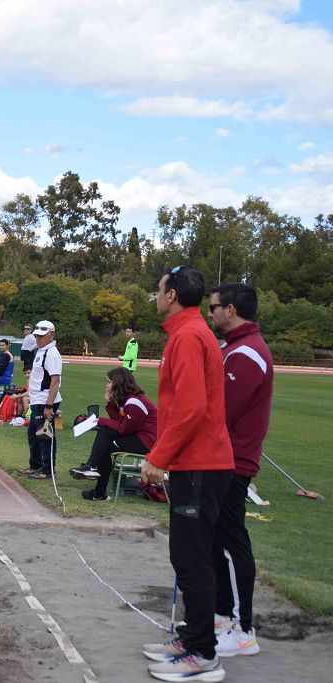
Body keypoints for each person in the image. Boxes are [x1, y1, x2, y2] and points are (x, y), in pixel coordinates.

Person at [141, 266, 234, 681]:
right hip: (194, 463)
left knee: (191, 557)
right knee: (187, 555)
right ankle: (193, 636)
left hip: (200, 464)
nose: (155, 297)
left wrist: (158, 456)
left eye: (159, 290)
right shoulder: (187, 333)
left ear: (173, 294)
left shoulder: (189, 336)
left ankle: (203, 653)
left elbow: (192, 408)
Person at [208, 283, 273, 658]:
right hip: (222, 458)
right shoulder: (234, 348)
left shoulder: (247, 353)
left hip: (232, 461)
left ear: (230, 309)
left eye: (214, 307)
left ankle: (243, 627)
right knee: (217, 540)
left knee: (231, 543)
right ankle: (222, 615)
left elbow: (220, 411)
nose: (211, 313)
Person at [69, 367, 157, 501]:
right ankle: (95, 480)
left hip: (147, 441)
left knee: (105, 440)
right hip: (138, 436)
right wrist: (110, 403)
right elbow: (119, 421)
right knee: (105, 439)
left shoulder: (135, 402)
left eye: (109, 382)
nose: (107, 385)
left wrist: (100, 421)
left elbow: (123, 428)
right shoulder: (126, 399)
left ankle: (94, 475)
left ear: (118, 383)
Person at [19, 321, 62, 480]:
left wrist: (49, 405)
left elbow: (55, 381)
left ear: (51, 335)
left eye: (42, 336)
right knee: (33, 434)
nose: (38, 338)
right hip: (38, 400)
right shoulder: (42, 350)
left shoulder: (52, 353)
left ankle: (48, 469)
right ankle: (35, 465)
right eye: (36, 335)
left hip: (45, 401)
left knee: (45, 435)